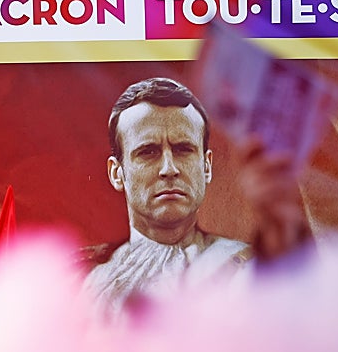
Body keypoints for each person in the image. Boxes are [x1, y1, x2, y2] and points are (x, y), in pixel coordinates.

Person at [82, 77, 307, 317]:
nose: (169, 168)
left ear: (206, 166)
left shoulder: (252, 272)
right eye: (148, 152)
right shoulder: (81, 279)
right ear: (117, 173)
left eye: (183, 150)